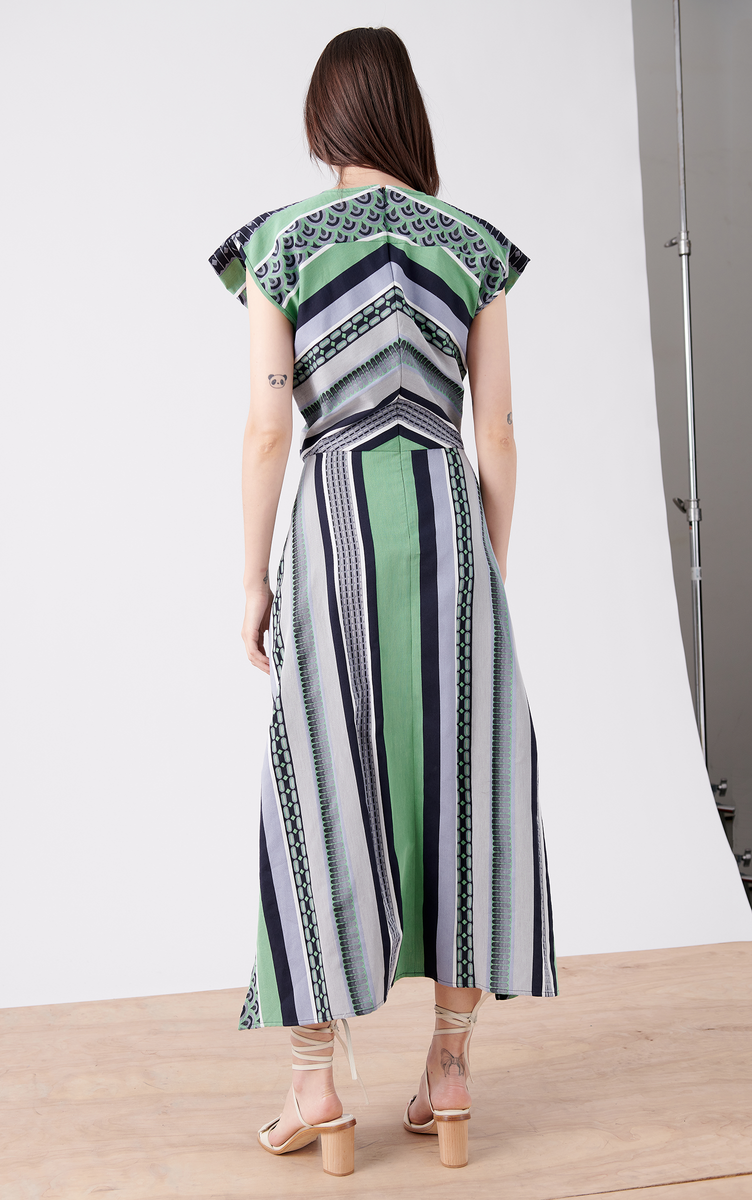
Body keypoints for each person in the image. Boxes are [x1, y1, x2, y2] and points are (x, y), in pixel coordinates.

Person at [209, 26, 557, 1176]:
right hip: (452, 529)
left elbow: (269, 430)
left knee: (316, 781)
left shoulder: (279, 244)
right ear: (406, 115)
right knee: (462, 785)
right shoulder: (475, 245)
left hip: (334, 533)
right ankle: (448, 1072)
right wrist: (486, 571)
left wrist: (250, 577)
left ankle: (317, 1085)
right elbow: (496, 432)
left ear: (325, 122)